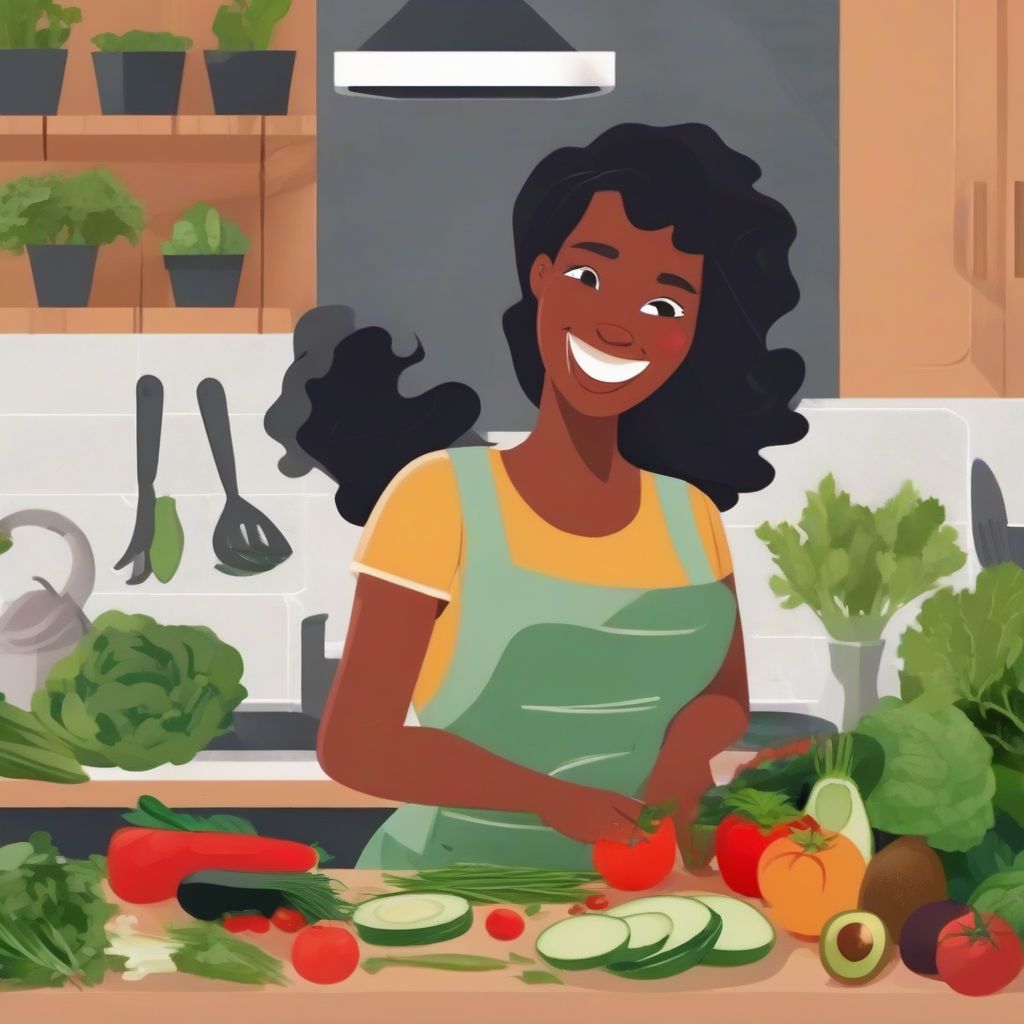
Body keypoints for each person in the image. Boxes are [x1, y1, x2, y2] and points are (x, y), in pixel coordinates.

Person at [297, 122, 808, 869]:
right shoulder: (439, 499)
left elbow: (725, 696)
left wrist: (680, 752)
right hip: (446, 894)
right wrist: (547, 797)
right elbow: (355, 746)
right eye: (590, 277)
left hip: (641, 885)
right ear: (540, 277)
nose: (617, 323)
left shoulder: (690, 515)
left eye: (664, 306)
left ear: (693, 329)